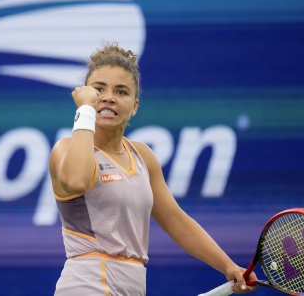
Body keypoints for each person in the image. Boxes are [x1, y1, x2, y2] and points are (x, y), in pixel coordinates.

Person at [48, 43, 258, 295]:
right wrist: (84, 111)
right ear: (83, 96)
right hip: (86, 286)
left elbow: (176, 220)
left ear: (134, 106)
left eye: (121, 92)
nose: (108, 97)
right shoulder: (65, 149)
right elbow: (77, 181)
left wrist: (228, 266)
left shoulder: (143, 156)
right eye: (98, 90)